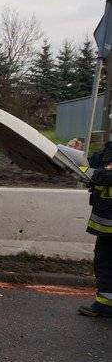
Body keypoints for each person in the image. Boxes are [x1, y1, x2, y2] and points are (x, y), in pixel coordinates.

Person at [68, 136, 112, 318]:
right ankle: (105, 304)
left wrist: (92, 174)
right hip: (107, 223)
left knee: (106, 262)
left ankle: (106, 305)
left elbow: (103, 175)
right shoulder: (108, 151)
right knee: (105, 262)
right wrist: (72, 152)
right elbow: (86, 165)